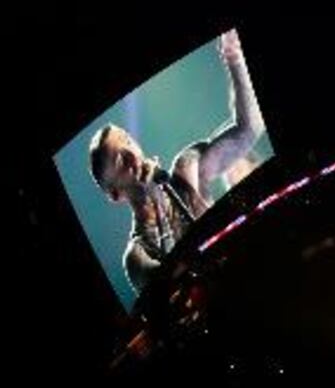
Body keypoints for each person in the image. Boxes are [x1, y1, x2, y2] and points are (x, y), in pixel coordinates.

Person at [88, 30, 265, 296]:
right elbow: (172, 287)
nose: (133, 154)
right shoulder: (137, 256)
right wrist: (156, 200)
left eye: (127, 141)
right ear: (115, 194)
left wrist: (235, 59)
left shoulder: (187, 169)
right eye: (121, 160)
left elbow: (250, 129)